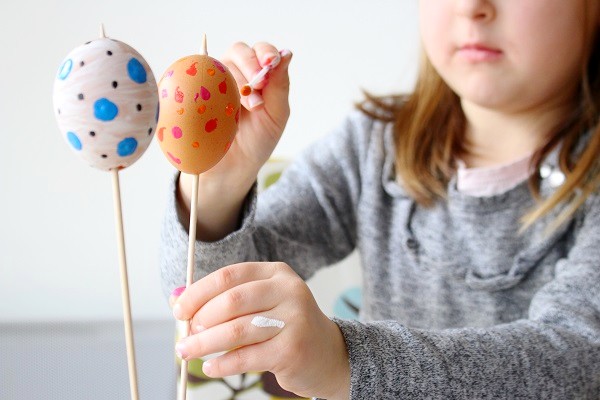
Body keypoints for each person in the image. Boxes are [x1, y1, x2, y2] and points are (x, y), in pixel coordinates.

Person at [160, 1, 600, 398]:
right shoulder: (372, 145)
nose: (472, 7)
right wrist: (219, 186)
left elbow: (579, 360)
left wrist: (345, 363)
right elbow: (198, 299)